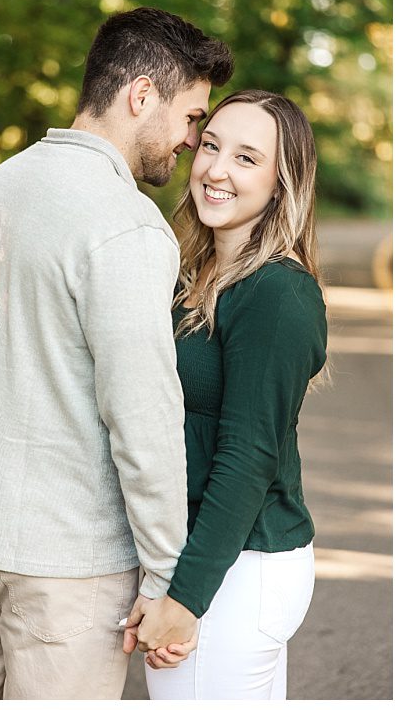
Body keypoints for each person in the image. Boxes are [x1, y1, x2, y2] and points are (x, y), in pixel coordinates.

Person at [0, 7, 233, 700]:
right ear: (140, 95)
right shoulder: (127, 226)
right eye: (191, 117)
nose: (190, 141)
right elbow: (141, 413)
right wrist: (164, 575)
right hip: (68, 562)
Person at [127, 90, 327, 700]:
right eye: (211, 146)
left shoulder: (276, 294)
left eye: (246, 158)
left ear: (281, 182)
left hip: (239, 568)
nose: (215, 169)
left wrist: (185, 598)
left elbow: (248, 458)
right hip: (212, 559)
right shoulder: (196, 277)